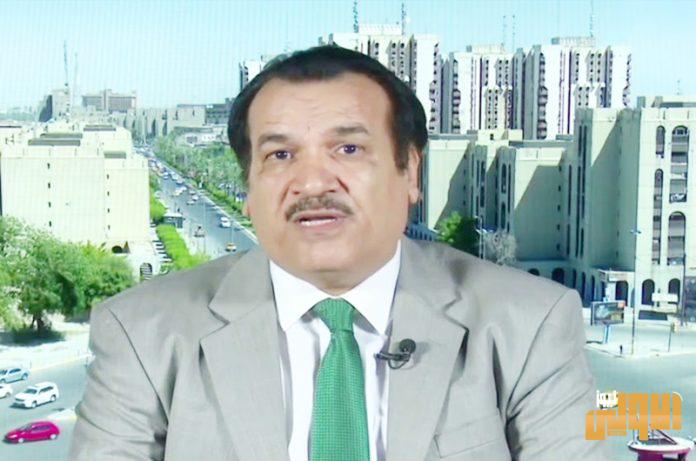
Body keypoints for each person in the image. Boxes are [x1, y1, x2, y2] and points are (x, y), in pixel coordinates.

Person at [70, 46, 608, 461]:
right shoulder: (141, 332)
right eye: (280, 154)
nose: (312, 182)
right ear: (249, 187)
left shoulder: (531, 324)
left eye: (348, 149)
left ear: (410, 172)